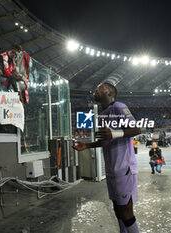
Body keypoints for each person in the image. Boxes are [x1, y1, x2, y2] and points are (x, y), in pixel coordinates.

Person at [73, 82, 141, 233]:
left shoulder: (119, 107)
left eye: (101, 88)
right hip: (111, 170)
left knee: (126, 210)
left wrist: (114, 134)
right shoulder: (102, 114)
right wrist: (88, 145)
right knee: (117, 208)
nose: (96, 90)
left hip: (124, 168)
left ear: (110, 93)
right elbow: (106, 139)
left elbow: (136, 129)